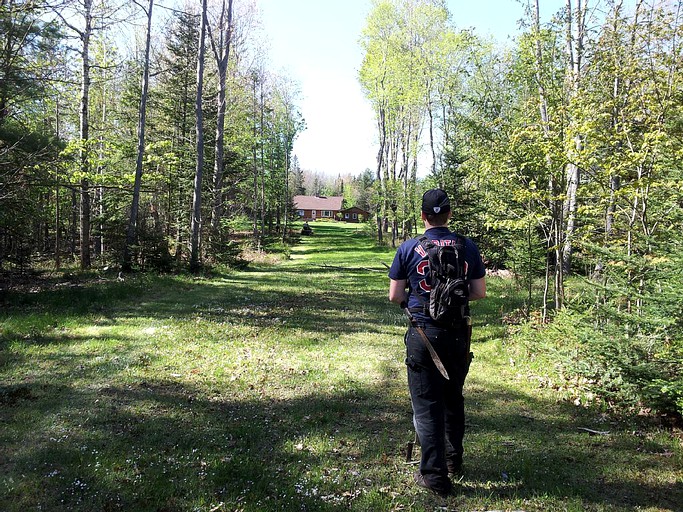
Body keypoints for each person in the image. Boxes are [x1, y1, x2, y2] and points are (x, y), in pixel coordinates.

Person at [388, 188, 486, 496]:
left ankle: (434, 475)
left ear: (423, 216)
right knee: (453, 398)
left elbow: (395, 295)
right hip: (458, 333)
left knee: (427, 405)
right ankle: (453, 461)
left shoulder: (408, 248)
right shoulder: (466, 246)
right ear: (449, 214)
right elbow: (479, 291)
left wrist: (424, 300)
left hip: (422, 335)